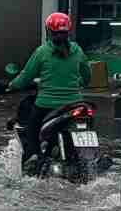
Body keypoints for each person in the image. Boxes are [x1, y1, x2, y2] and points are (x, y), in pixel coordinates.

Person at [6, 12, 88, 169]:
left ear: (48, 31)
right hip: (75, 104)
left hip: (46, 104)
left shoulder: (42, 52)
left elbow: (26, 76)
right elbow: (87, 74)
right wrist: (80, 82)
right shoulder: (78, 51)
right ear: (68, 31)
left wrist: (13, 85)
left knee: (31, 129)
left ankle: (34, 156)